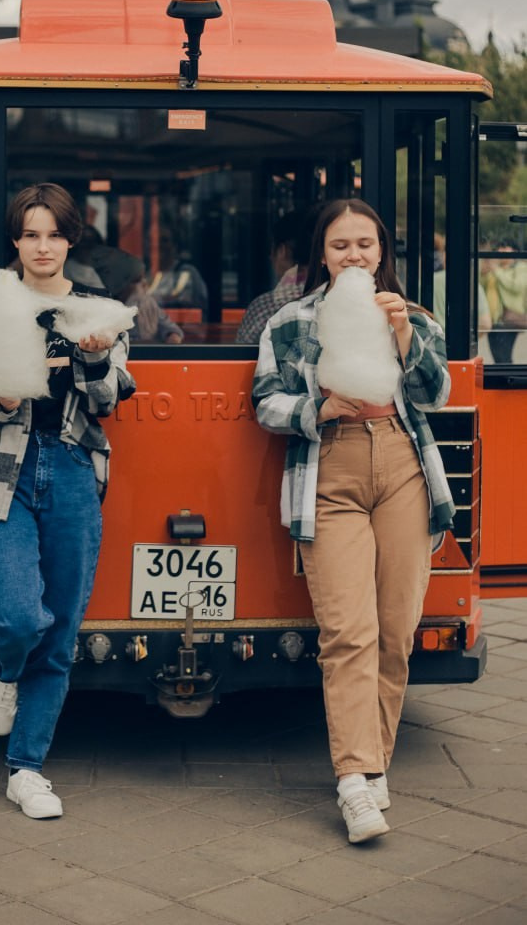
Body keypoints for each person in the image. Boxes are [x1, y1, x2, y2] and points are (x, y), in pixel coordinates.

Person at [252, 198, 454, 845]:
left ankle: (373, 765)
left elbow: (436, 394)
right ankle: (353, 780)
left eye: (364, 244)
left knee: (396, 629)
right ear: (322, 253)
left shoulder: (412, 315)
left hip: (402, 465)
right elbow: (264, 403)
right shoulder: (290, 321)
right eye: (340, 245)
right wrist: (318, 407)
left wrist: (402, 336)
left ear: (381, 250)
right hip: (329, 467)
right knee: (348, 630)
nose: (354, 255)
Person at [0, 183, 135, 819]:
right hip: (0, 473)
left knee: (62, 629)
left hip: (72, 469)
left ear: (71, 239)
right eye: (30, 234)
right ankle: (7, 669)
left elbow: (110, 401)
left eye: (54, 234)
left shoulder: (96, 311)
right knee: (22, 617)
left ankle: (26, 769)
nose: (43, 246)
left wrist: (97, 361)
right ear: (16, 240)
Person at [237, 208, 315, 344]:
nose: (270, 257)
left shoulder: (264, 307)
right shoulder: (333, 300)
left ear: (282, 251)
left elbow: (241, 351)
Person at [147, 225, 208, 312]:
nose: (158, 244)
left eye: (164, 240)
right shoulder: (144, 275)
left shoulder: (187, 272)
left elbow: (199, 306)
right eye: (154, 240)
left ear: (175, 245)